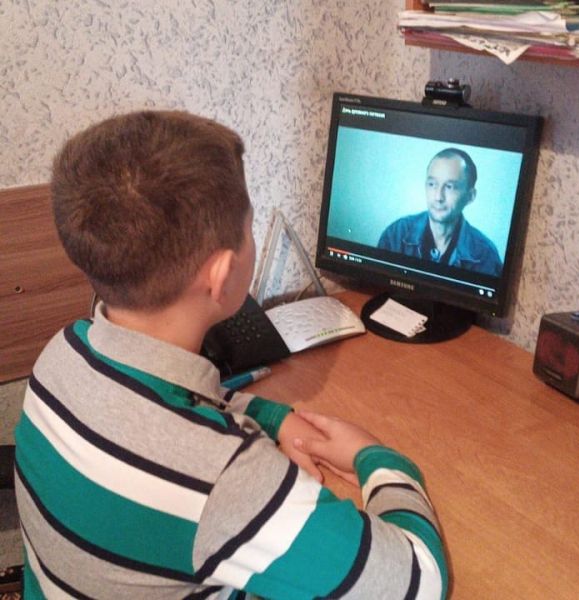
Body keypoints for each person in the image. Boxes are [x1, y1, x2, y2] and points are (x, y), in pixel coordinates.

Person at [14, 110, 448, 599]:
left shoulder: (63, 353)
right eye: (249, 229)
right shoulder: (222, 478)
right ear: (220, 276)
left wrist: (274, 418)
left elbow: (165, 405)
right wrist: (378, 458)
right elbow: (419, 581)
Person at [378, 147, 503, 277]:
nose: (438, 197)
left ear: (470, 196)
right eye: (432, 184)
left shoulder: (485, 254)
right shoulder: (395, 234)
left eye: (449, 187)